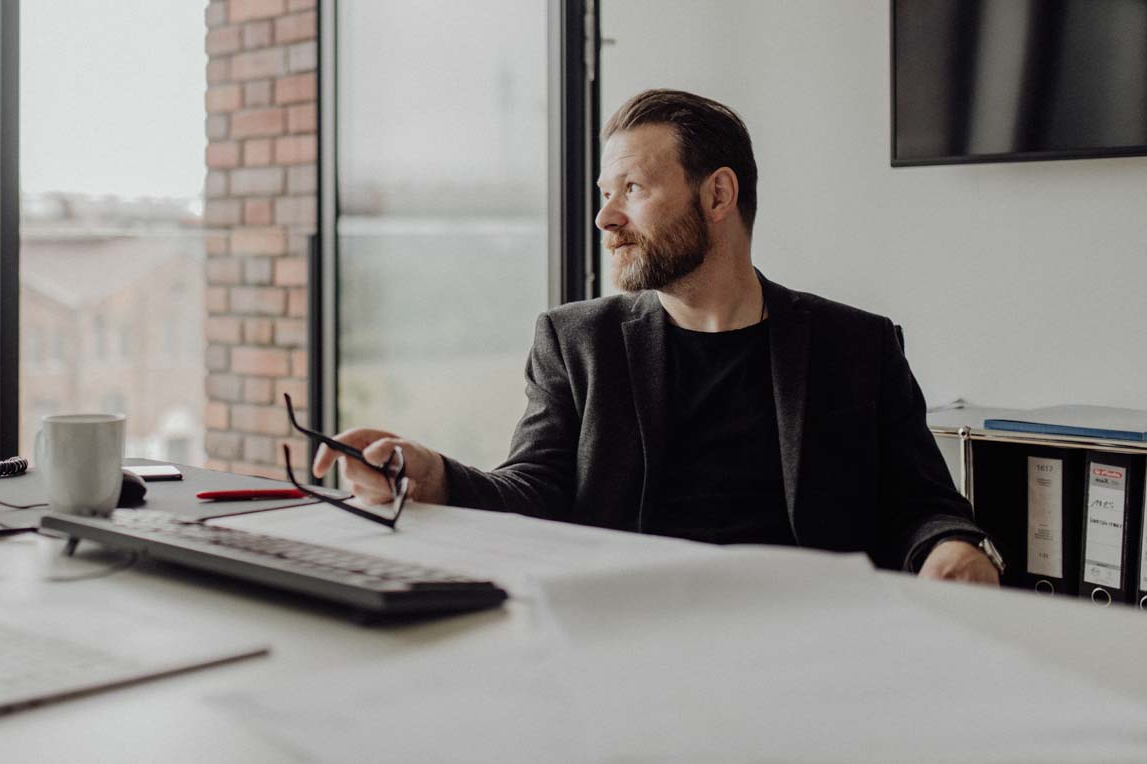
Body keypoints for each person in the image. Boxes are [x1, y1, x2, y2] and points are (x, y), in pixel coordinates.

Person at [315, 89, 999, 583]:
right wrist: (433, 475)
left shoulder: (858, 347)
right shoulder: (577, 342)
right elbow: (535, 491)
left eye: (632, 189)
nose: (605, 218)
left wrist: (952, 550)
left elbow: (922, 509)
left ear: (718, 196)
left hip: (806, 647)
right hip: (626, 640)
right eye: (603, 193)